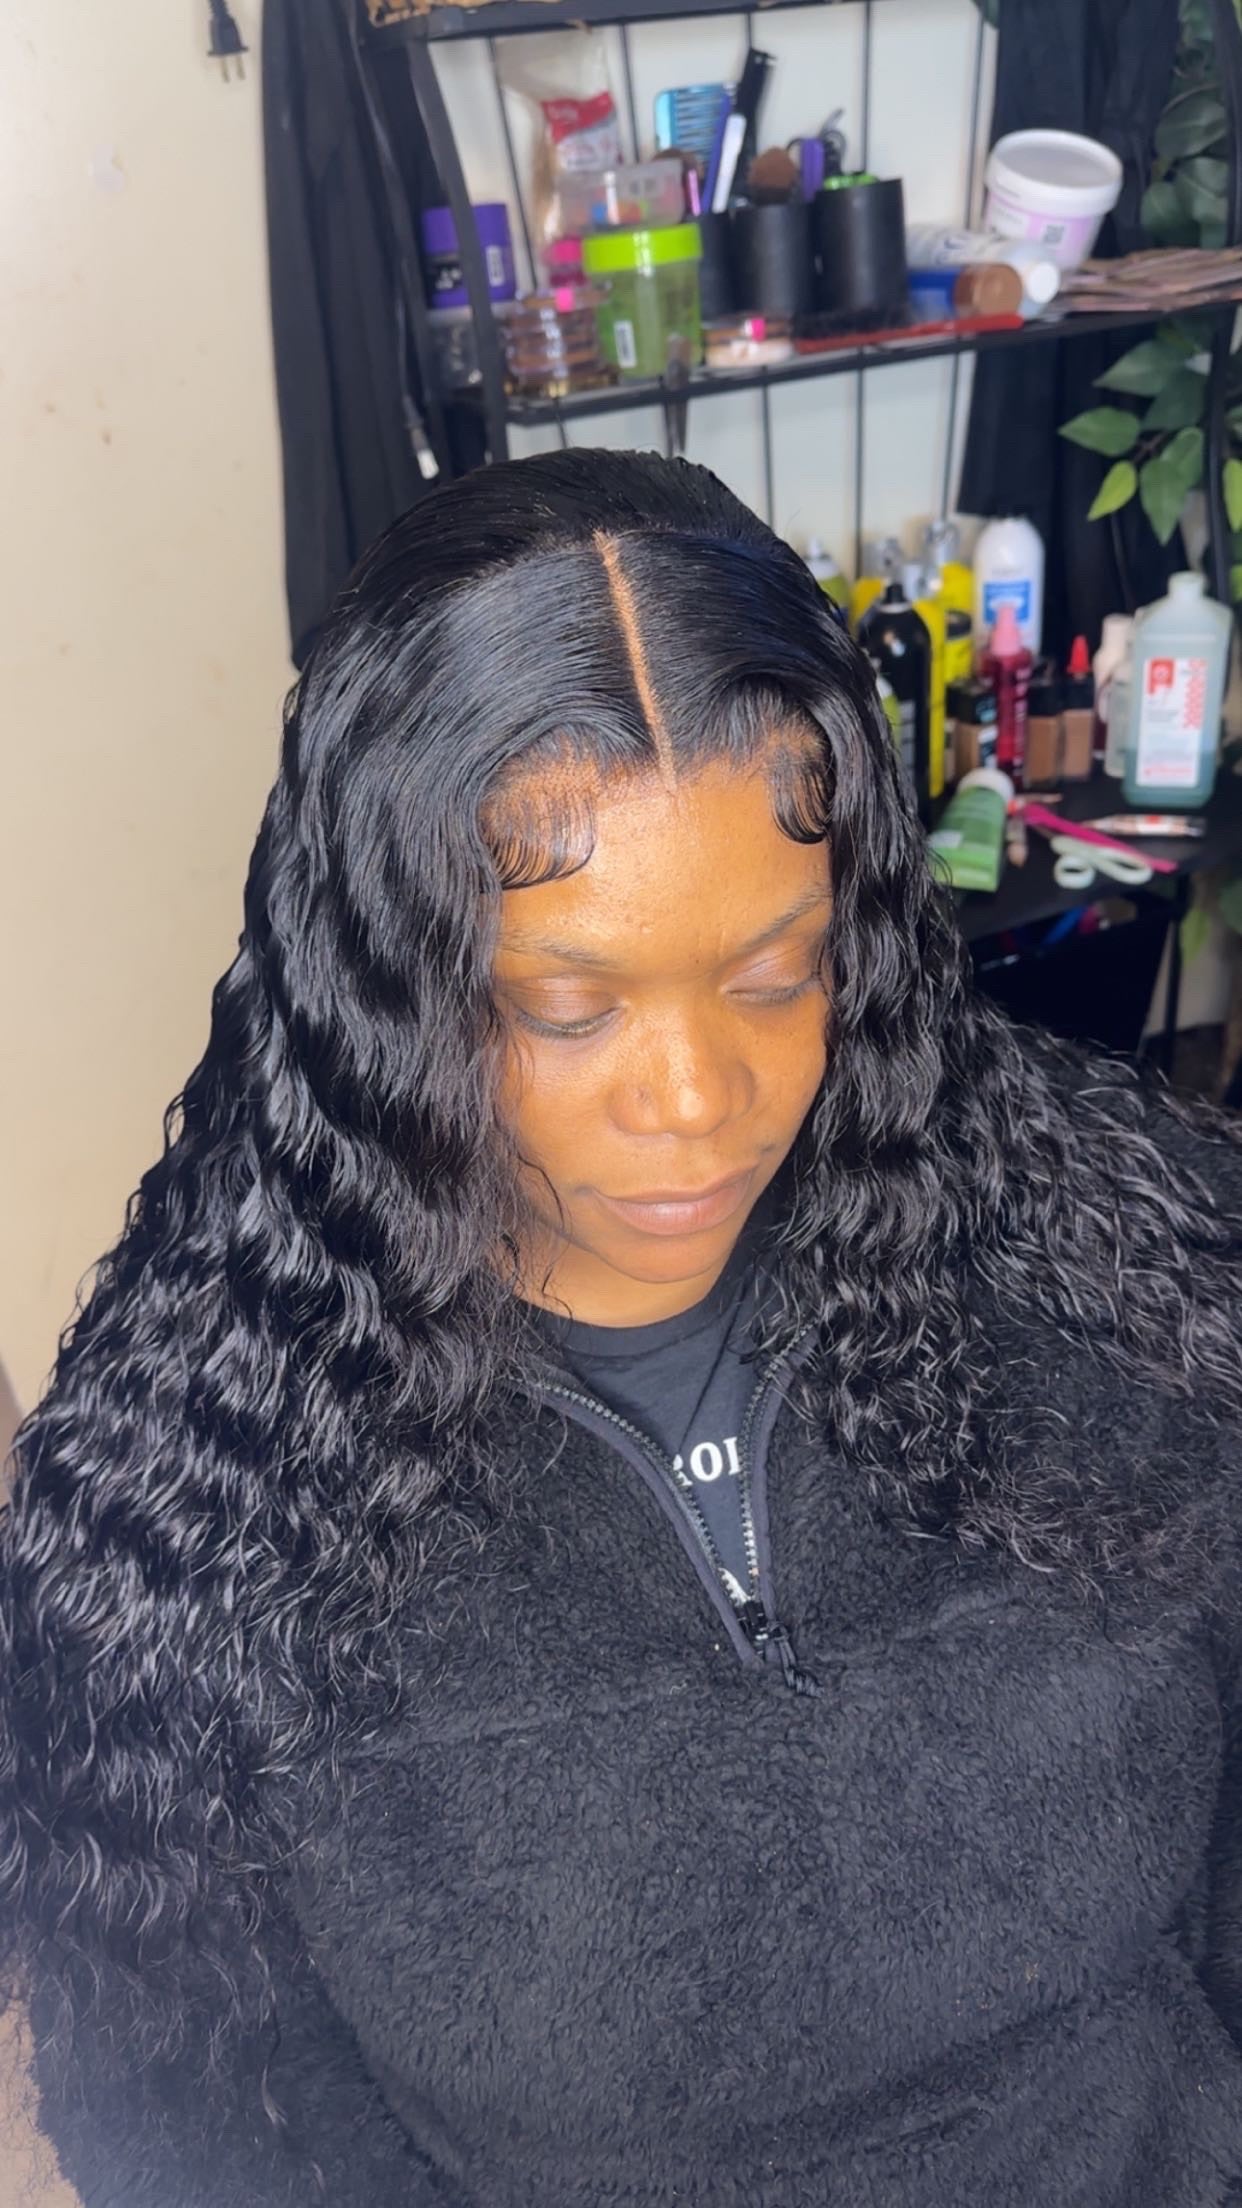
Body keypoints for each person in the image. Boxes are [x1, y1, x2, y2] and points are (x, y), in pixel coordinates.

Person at [3, 449, 1242, 2208]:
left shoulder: (1121, 1287)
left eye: (774, 973)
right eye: (567, 1008)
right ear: (379, 998)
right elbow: (210, 2128)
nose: (698, 1099)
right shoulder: (194, 1517)